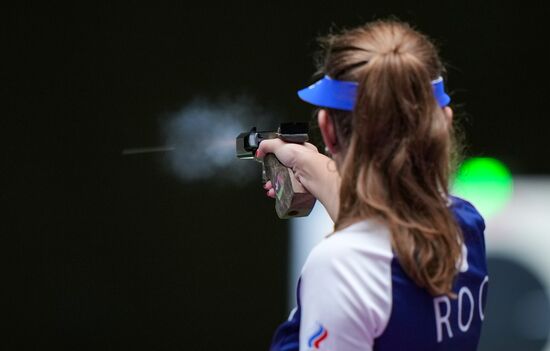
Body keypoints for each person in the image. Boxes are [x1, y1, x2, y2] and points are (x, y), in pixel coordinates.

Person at [256, 20, 488, 351]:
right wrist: (316, 170)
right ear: (444, 122)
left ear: (328, 130)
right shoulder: (465, 223)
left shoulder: (340, 264)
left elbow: (363, 253)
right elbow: (384, 238)